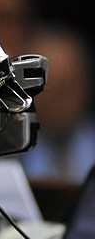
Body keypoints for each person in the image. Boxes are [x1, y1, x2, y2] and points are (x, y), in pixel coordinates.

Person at [20, 24, 95, 185]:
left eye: (64, 88)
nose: (54, 100)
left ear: (86, 87)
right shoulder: (7, 159)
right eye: (46, 89)